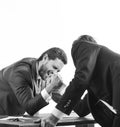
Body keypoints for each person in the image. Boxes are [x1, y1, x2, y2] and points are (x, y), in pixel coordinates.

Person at [39, 35, 120, 127]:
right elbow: (82, 109)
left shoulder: (82, 45)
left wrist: (54, 117)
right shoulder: (96, 83)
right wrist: (58, 91)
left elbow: (80, 80)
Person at [0, 47, 67, 116]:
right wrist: (51, 86)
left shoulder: (42, 72)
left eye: (58, 71)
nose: (54, 73)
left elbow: (36, 103)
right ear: (45, 58)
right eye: (54, 67)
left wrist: (59, 91)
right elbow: (30, 108)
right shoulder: (21, 72)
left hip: (11, 117)